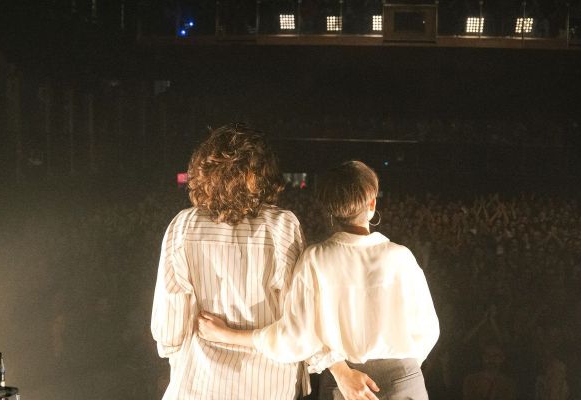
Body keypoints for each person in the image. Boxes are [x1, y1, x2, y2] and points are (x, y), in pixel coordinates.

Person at [197, 160, 441, 400]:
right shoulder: (401, 257)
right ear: (372, 204)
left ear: (330, 209)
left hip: (344, 385)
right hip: (405, 381)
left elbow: (295, 337)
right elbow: (428, 330)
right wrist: (402, 370)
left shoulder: (315, 259)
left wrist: (228, 335)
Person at [150, 124, 307, 399]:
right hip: (269, 383)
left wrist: (173, 355)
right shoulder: (283, 226)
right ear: (262, 175)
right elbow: (297, 317)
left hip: (201, 382)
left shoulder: (184, 226)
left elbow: (170, 318)